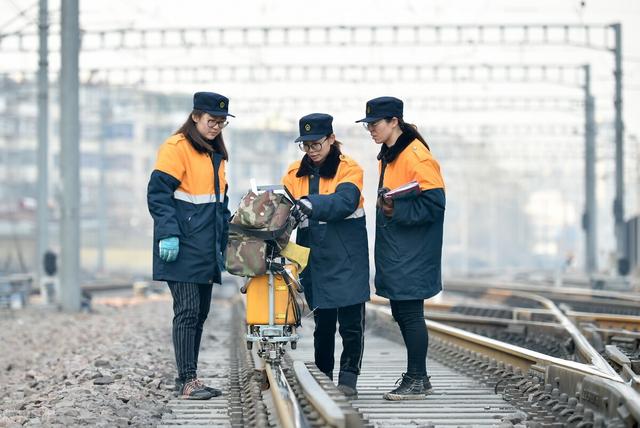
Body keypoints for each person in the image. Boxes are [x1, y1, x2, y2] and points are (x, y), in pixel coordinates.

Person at [356, 97, 445, 400]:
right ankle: (419, 377)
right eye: (368, 125)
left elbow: (435, 204)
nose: (370, 129)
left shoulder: (416, 156)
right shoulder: (391, 155)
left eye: (375, 124)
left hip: (413, 251)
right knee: (402, 311)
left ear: (394, 121)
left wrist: (397, 211)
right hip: (399, 249)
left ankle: (417, 379)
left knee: (410, 313)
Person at [147, 92, 232, 400]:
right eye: (212, 121)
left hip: (205, 248)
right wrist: (168, 233)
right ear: (195, 116)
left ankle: (190, 377)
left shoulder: (215, 156)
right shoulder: (176, 148)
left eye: (222, 123)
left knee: (200, 313)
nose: (217, 127)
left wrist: (228, 240)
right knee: (187, 311)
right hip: (181, 245)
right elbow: (158, 195)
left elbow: (219, 206)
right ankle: (186, 381)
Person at [282, 113, 370, 398]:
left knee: (351, 323)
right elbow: (283, 210)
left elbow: (345, 201)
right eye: (305, 145)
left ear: (331, 139)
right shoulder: (294, 174)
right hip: (315, 257)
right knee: (323, 324)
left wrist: (310, 203)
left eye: (316, 143)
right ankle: (323, 376)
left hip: (347, 255)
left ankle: (348, 379)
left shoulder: (349, 169)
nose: (311, 150)